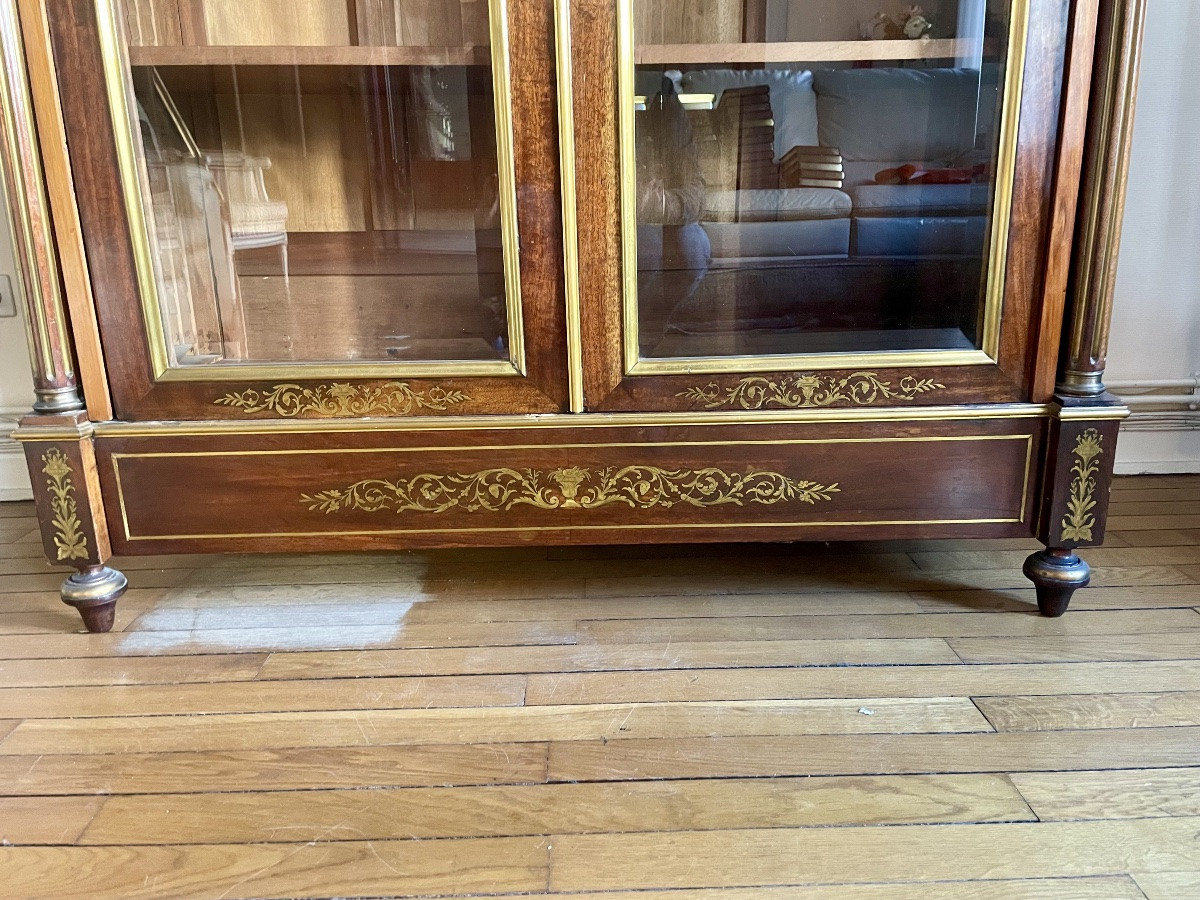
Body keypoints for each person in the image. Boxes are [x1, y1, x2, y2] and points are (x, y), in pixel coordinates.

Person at [635, 76, 711, 349]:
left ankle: (658, 336)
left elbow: (697, 194)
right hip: (621, 219)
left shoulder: (662, 91)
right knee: (645, 249)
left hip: (665, 211)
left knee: (692, 249)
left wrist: (657, 205)